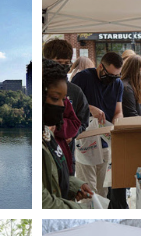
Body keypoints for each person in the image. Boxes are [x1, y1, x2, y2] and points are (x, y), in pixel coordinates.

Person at [72, 51, 125, 198]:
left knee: (103, 190)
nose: (112, 79)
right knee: (88, 189)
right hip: (85, 140)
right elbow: (69, 104)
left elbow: (118, 111)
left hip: (106, 140)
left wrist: (116, 123)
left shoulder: (117, 84)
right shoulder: (83, 78)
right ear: (101, 67)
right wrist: (89, 108)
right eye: (110, 75)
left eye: (116, 76)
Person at [42, 58, 93, 208]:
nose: (62, 106)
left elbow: (54, 176)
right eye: (55, 98)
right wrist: (83, 210)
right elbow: (44, 202)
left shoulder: (47, 133)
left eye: (64, 100)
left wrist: (74, 185)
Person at [111, 54, 141, 209]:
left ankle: (119, 205)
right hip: (127, 140)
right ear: (135, 71)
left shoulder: (137, 87)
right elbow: (132, 116)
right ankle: (119, 207)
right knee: (123, 177)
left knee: (124, 177)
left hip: (133, 138)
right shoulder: (126, 88)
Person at [43, 39, 91, 175]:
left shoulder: (75, 91)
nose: (63, 67)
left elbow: (82, 121)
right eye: (59, 63)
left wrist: (73, 134)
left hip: (66, 156)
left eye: (67, 63)